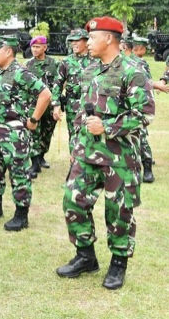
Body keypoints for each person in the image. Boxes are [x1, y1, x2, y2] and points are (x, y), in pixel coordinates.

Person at [57, 17, 155, 290]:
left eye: (92, 38)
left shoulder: (132, 71)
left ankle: (118, 263)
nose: (87, 43)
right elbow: (81, 113)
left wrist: (108, 126)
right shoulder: (90, 70)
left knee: (119, 212)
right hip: (86, 153)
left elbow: (145, 114)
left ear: (109, 39)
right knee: (73, 201)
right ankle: (86, 256)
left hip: (119, 158)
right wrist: (75, 146)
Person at [0, 35, 51, 231]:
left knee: (18, 173)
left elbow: (45, 94)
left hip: (14, 133)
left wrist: (33, 120)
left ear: (8, 51)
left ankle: (21, 214)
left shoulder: (20, 73)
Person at [51, 29, 92, 158]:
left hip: (92, 105)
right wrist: (56, 105)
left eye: (77, 40)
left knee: (91, 135)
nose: (74, 43)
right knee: (74, 135)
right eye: (72, 41)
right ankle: (75, 166)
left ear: (86, 42)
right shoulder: (66, 62)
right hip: (73, 105)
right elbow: (57, 83)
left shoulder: (96, 60)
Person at [25, 36, 59, 179]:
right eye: (33, 47)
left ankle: (41, 155)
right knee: (34, 132)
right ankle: (34, 162)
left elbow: (58, 82)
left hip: (50, 104)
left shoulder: (54, 64)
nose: (35, 49)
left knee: (47, 132)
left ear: (45, 47)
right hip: (34, 104)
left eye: (38, 47)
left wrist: (57, 103)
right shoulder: (28, 65)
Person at [130, 36, 160, 183]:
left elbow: (144, 83)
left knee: (140, 137)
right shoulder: (132, 62)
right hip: (132, 103)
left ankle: (147, 169)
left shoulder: (140, 63)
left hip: (138, 104)